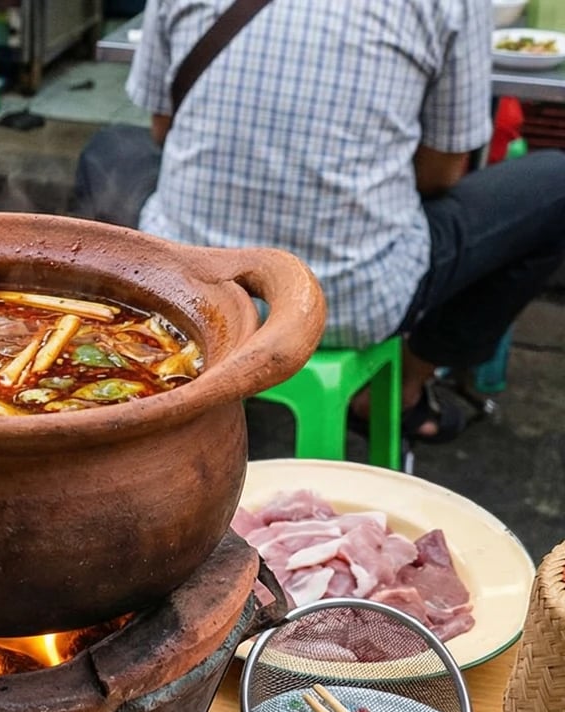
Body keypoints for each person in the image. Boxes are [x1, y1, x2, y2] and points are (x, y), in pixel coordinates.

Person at [72, 0, 565, 444]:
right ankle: (406, 388)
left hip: (195, 284)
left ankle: (144, 356)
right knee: (555, 183)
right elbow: (441, 172)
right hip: (346, 302)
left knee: (109, 150)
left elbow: (164, 130)